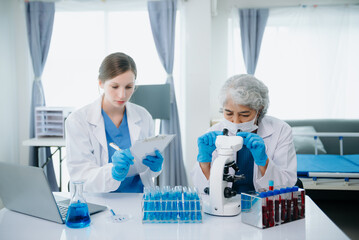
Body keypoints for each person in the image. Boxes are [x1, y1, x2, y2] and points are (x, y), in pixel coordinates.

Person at [66, 52, 164, 193]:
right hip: (99, 201)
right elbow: (80, 177)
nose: (122, 95)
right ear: (101, 83)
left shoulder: (143, 116)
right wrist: (113, 172)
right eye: (115, 87)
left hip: (139, 199)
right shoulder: (78, 121)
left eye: (129, 87)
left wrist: (155, 167)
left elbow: (146, 173)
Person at [191, 74, 297, 194]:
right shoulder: (213, 133)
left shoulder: (281, 130)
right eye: (229, 113)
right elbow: (202, 188)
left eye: (244, 115)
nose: (236, 121)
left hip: (263, 204)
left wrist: (264, 161)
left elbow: (286, 184)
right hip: (225, 205)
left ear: (259, 110)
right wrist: (204, 162)